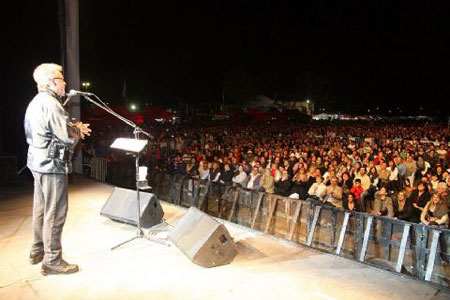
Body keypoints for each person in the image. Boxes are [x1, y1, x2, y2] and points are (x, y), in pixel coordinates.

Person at [25, 63, 91, 275]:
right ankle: (52, 259)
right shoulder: (51, 104)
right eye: (61, 79)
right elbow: (65, 136)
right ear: (51, 82)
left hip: (37, 161)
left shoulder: (36, 102)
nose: (65, 83)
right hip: (51, 164)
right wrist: (77, 130)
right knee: (56, 211)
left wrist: (70, 128)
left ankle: (38, 250)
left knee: (42, 208)